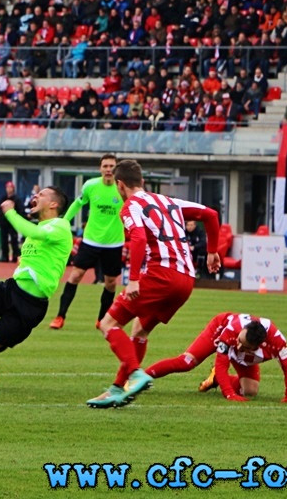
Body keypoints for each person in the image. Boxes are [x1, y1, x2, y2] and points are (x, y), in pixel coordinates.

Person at [86, 159, 221, 408]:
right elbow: (210, 215)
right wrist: (212, 251)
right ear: (143, 182)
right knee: (140, 331)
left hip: (161, 274)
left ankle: (136, 373)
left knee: (107, 324)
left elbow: (137, 238)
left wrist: (134, 279)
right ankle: (118, 388)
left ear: (119, 185)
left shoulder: (130, 206)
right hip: (186, 280)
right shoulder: (168, 201)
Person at [0, 186, 73, 353]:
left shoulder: (60, 225)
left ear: (53, 204)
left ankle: (7, 334)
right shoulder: (38, 229)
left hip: (31, 305)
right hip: (11, 289)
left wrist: (10, 212)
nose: (35, 196)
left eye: (41, 194)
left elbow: (34, 232)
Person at [146, 313, 287, 404]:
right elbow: (221, 364)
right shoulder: (232, 331)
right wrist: (229, 394)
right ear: (243, 330)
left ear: (256, 347)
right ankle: (141, 376)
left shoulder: (277, 342)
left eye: (244, 346)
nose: (238, 346)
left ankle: (217, 379)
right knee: (186, 362)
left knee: (250, 390)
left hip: (249, 353)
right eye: (240, 340)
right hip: (218, 328)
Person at [49, 154, 124, 330]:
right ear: (100, 168)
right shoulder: (91, 185)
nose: (108, 169)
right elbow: (77, 203)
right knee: (75, 276)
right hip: (91, 241)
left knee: (111, 283)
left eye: (111, 166)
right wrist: (64, 222)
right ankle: (60, 316)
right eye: (105, 166)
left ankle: (101, 320)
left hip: (114, 243)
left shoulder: (122, 188)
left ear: (116, 168)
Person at [0, 181, 21, 262]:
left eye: (10, 187)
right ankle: (4, 256)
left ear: (13, 189)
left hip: (12, 223)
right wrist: (0, 220)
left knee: (14, 240)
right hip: (4, 223)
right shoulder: (3, 198)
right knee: (4, 240)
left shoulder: (16, 199)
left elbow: (20, 210)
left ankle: (15, 256)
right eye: (7, 187)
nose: (8, 189)